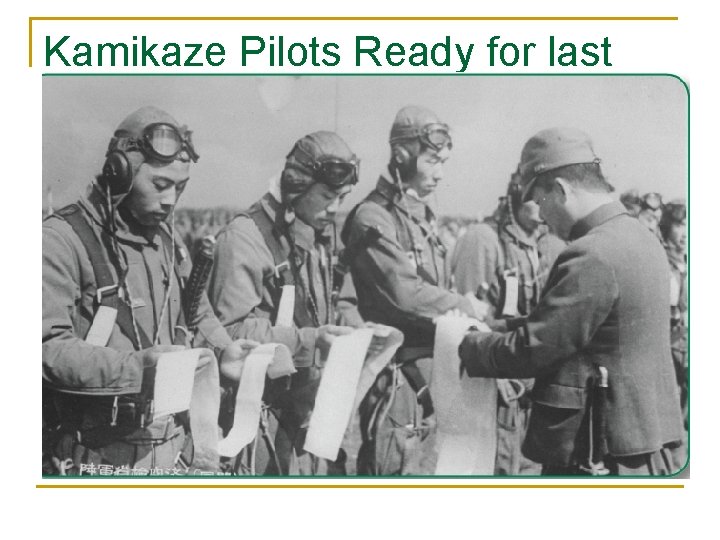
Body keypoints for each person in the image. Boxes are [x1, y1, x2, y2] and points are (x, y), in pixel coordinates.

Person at [459, 127, 685, 475]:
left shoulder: (591, 254)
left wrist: (470, 345)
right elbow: (579, 327)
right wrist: (496, 326)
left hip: (598, 455)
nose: (542, 217)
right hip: (644, 445)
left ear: (561, 190)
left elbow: (536, 348)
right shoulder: (641, 237)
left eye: (540, 201)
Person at [43, 106, 255, 475]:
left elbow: (196, 311)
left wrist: (225, 350)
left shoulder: (168, 241)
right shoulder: (61, 240)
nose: (171, 200)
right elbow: (46, 348)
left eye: (180, 187)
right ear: (119, 173)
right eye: (160, 185)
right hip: (96, 454)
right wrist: (138, 370)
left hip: (173, 446)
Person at [341, 105, 486, 474]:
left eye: (443, 163)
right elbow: (404, 294)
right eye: (432, 161)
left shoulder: (418, 216)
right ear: (401, 154)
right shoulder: (374, 216)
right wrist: (465, 306)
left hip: (429, 372)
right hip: (395, 379)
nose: (440, 174)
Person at [208, 131, 363, 475]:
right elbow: (227, 333)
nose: (335, 209)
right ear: (296, 185)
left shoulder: (313, 236)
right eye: (327, 196)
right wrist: (309, 341)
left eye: (342, 198)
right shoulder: (245, 238)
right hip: (258, 421)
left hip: (304, 417)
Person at [452, 171, 565, 475]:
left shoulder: (552, 246)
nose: (542, 203)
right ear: (517, 192)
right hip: (497, 387)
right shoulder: (483, 239)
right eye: (535, 195)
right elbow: (468, 321)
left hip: (536, 390)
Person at [660, 198, 688, 430]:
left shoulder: (686, 261)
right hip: (667, 339)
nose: (685, 233)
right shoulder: (660, 259)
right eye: (679, 226)